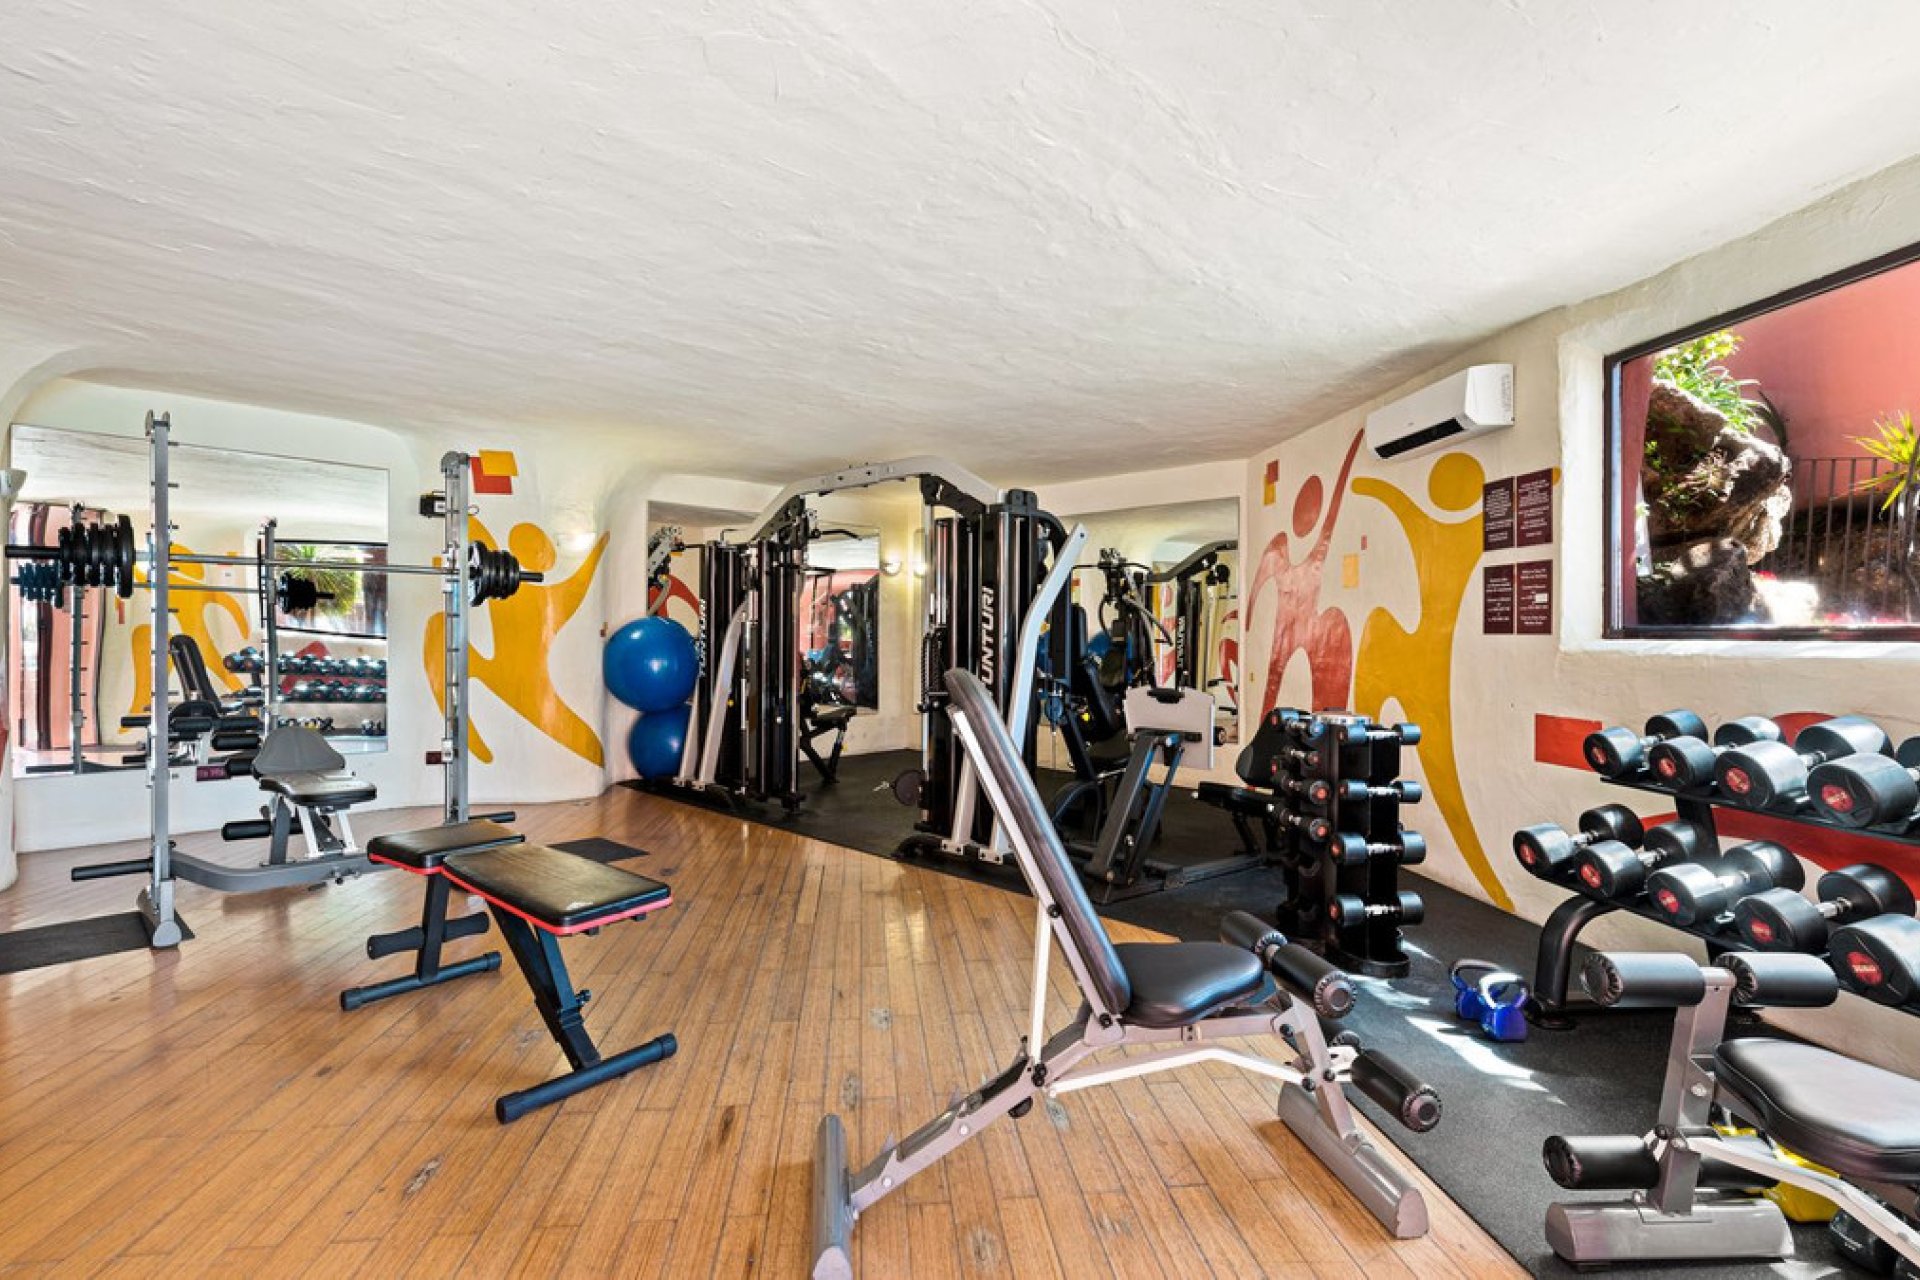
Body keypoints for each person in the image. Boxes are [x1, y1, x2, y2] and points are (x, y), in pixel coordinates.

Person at [426, 518, 608, 767]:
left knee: (561, 725)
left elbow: (581, 580)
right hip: (510, 673)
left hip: (526, 676)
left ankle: (588, 753)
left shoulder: (554, 595)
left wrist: (600, 546)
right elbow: (581, 581)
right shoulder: (554, 594)